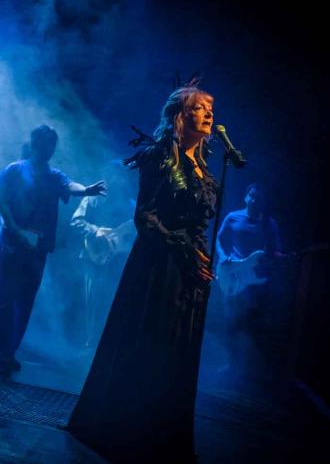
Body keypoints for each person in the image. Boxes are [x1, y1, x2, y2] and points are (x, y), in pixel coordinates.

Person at [67, 84, 218, 463]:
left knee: (180, 347)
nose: (208, 113)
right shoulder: (156, 157)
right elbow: (145, 217)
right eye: (198, 108)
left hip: (190, 267)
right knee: (153, 340)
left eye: (209, 108)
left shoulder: (204, 165)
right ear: (178, 117)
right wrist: (182, 250)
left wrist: (197, 256)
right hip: (160, 264)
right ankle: (131, 426)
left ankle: (166, 428)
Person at [0, 124, 107, 377]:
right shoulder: (14, 169)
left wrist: (86, 190)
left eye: (51, 144)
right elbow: (1, 198)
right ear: (33, 144)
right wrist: (12, 227)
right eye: (43, 143)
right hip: (11, 244)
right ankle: (0, 355)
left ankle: (9, 352)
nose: (47, 149)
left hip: (37, 247)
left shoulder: (54, 176)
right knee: (3, 300)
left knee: (24, 301)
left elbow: (70, 185)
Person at [216, 183, 284, 376]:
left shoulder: (269, 224)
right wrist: (222, 257)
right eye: (251, 196)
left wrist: (275, 257)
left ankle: (252, 370)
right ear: (246, 197)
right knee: (230, 321)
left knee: (254, 324)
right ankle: (231, 364)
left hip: (255, 280)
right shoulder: (233, 217)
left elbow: (276, 250)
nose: (254, 200)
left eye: (258, 198)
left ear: (263, 202)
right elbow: (220, 240)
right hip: (233, 275)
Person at [70, 160, 136, 349]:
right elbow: (75, 221)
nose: (115, 179)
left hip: (117, 259)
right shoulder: (92, 199)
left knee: (113, 300)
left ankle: (109, 344)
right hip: (93, 256)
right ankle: (90, 344)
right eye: (111, 175)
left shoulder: (130, 204)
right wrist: (95, 230)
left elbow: (134, 232)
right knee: (92, 300)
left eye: (118, 176)